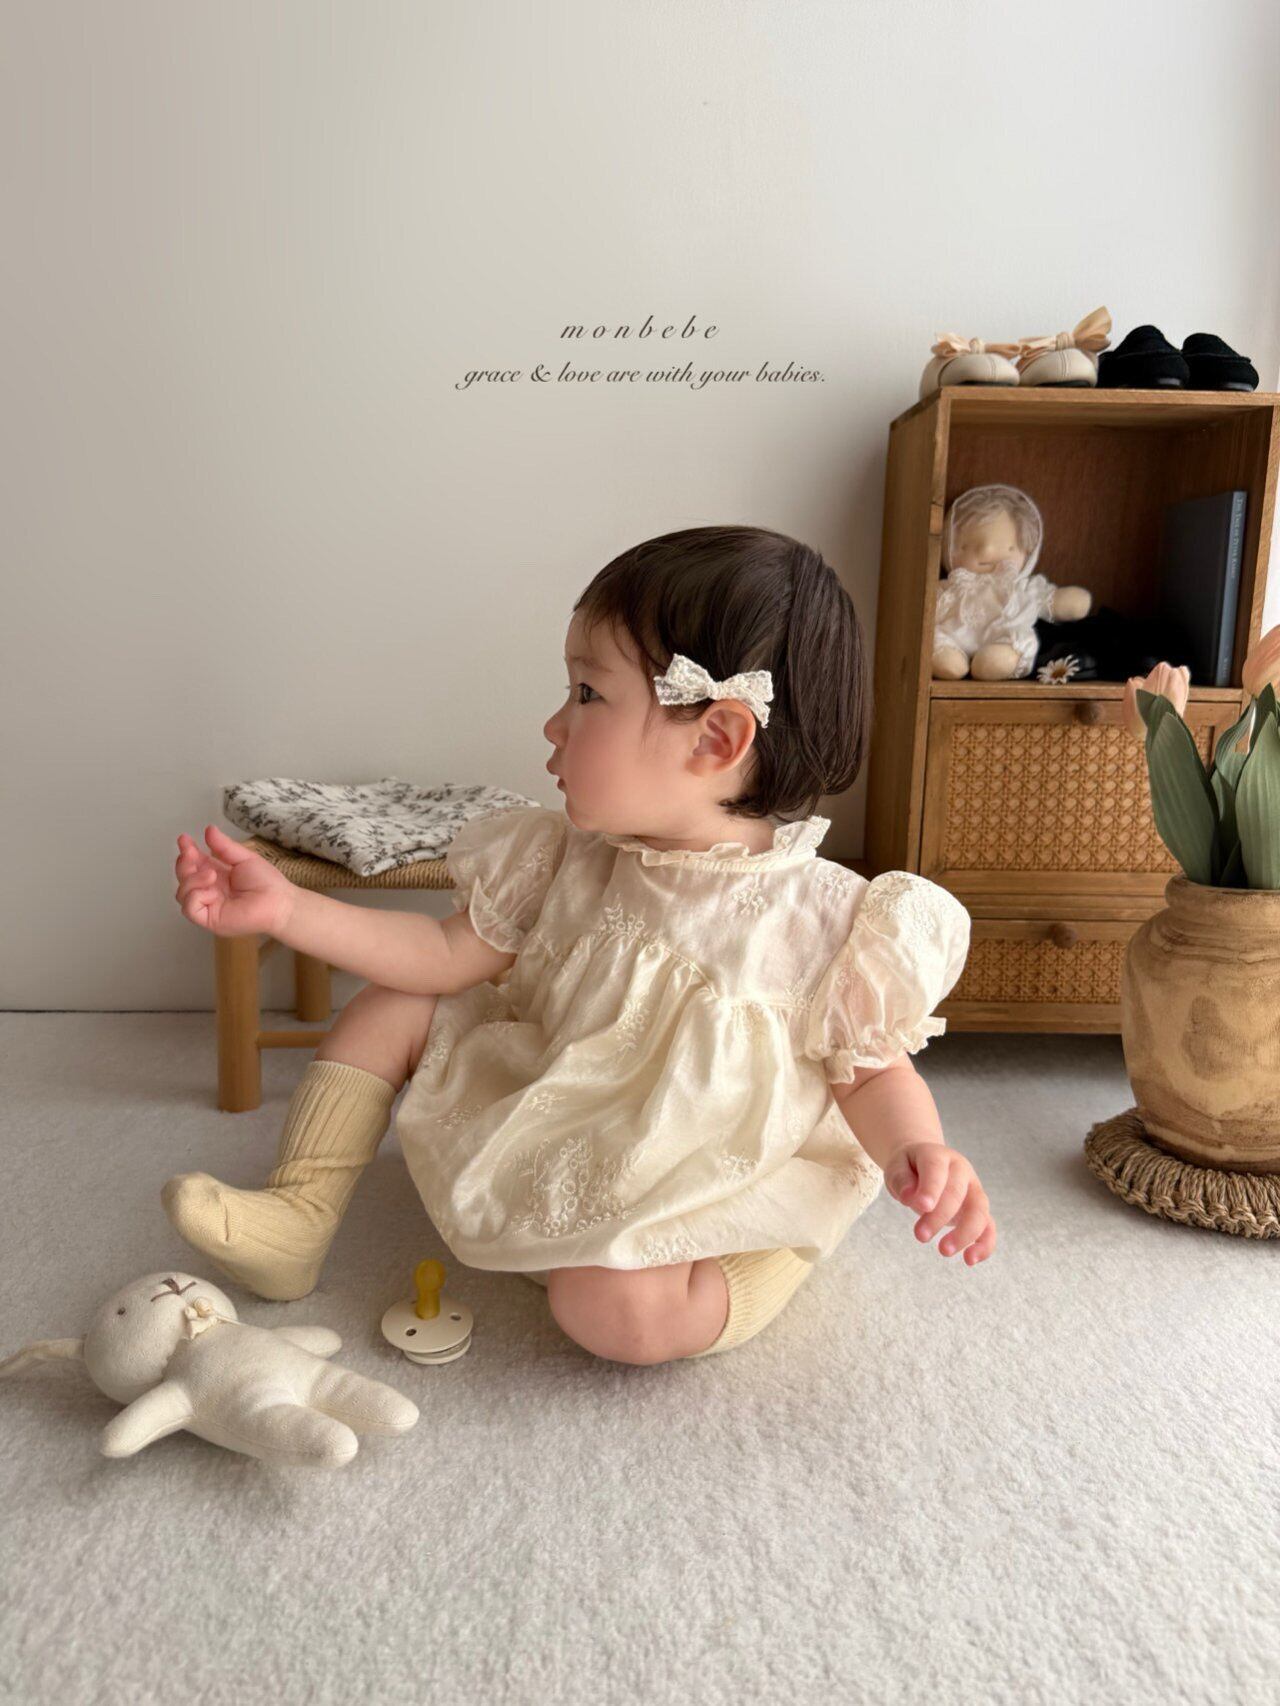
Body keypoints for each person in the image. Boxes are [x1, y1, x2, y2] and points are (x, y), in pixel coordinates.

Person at [165, 525, 996, 1366]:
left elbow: (873, 1072)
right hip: (567, 1097)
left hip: (698, 1164)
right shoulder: (564, 857)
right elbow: (439, 955)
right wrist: (289, 911)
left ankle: (775, 1246)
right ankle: (299, 1211)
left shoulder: (825, 920)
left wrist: (917, 1149)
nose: (554, 724)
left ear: (715, 739)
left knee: (614, 1315)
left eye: (588, 694)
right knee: (396, 1003)